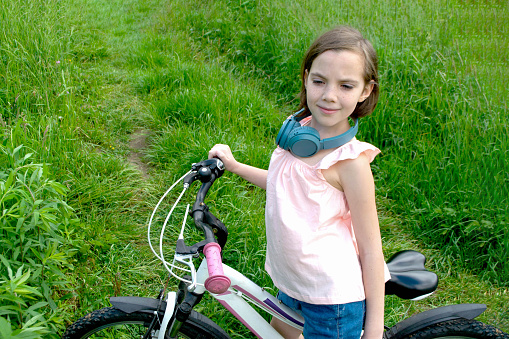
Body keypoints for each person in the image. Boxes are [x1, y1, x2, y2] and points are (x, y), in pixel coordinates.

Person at [208, 26, 390, 339]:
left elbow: (372, 248)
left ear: (365, 90)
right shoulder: (298, 134)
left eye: (346, 85)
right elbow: (287, 186)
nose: (329, 95)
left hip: (332, 300)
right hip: (292, 283)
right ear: (306, 77)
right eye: (319, 81)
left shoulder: (350, 164)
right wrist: (235, 166)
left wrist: (373, 330)